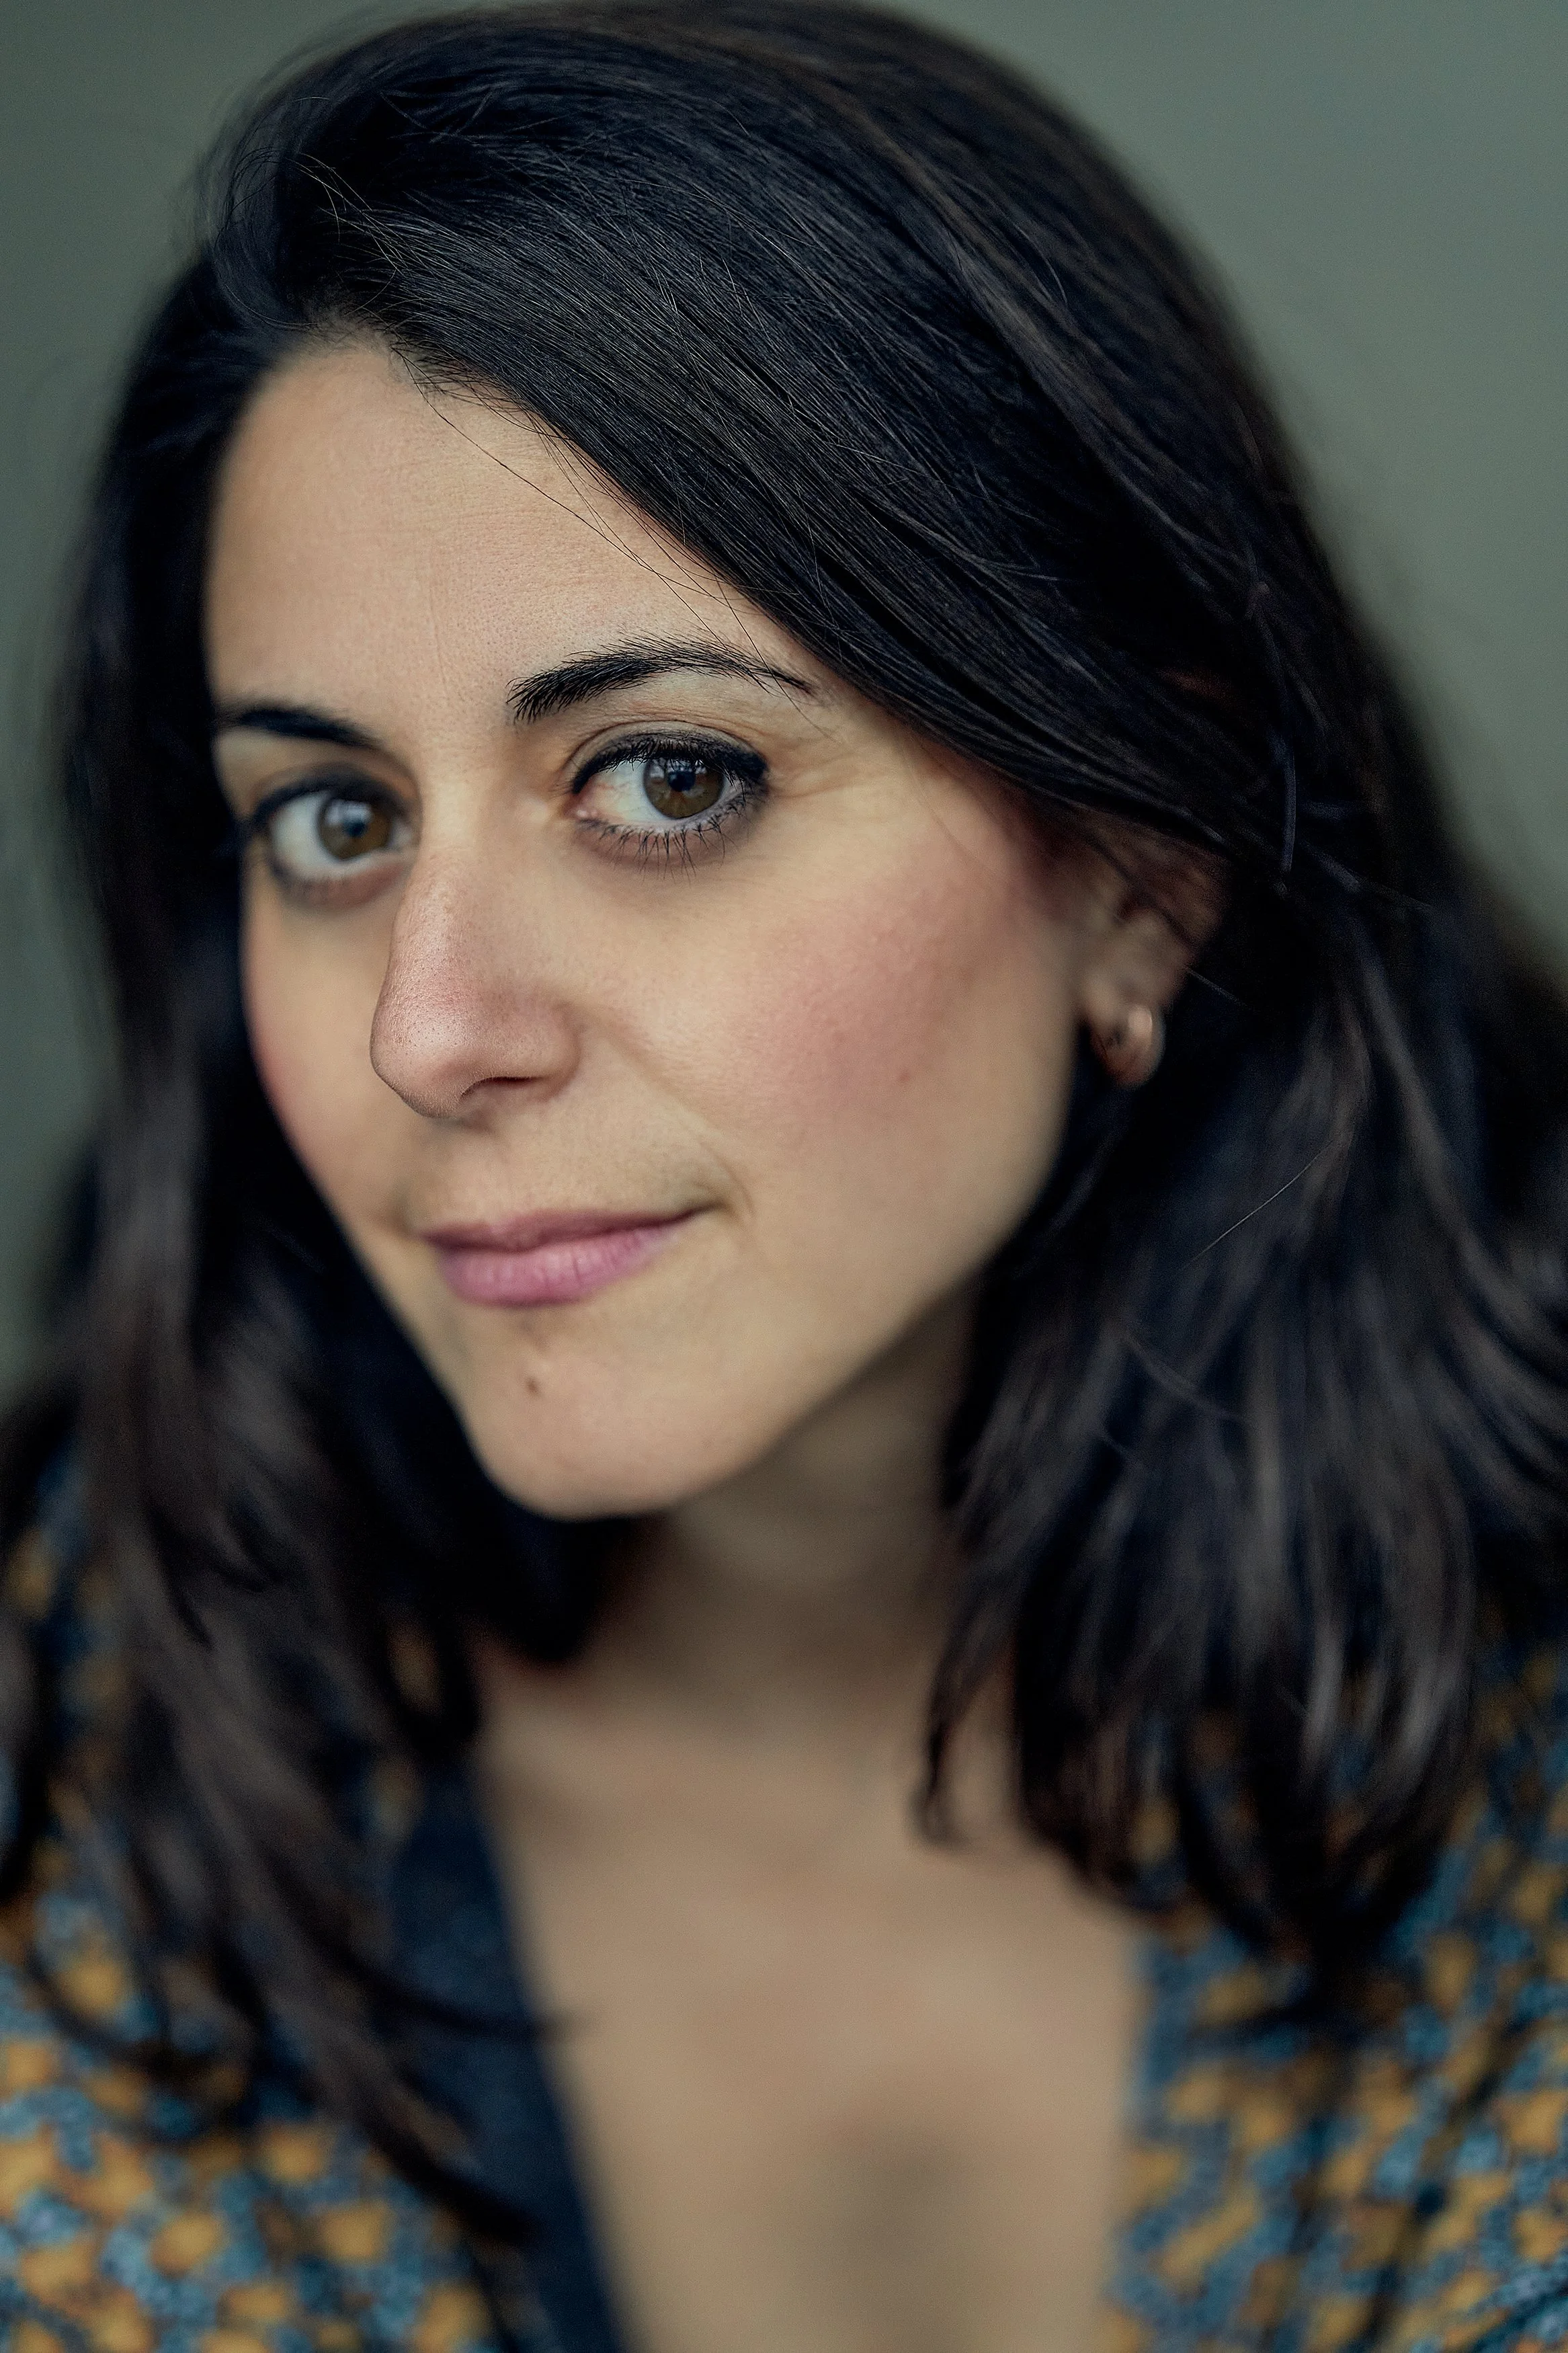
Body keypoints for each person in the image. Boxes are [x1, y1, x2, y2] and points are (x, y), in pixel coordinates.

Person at [3, 5, 1567, 2347]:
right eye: (330, 820)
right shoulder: (77, 1782)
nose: (432, 1028)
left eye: (663, 782)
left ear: (1137, 863)